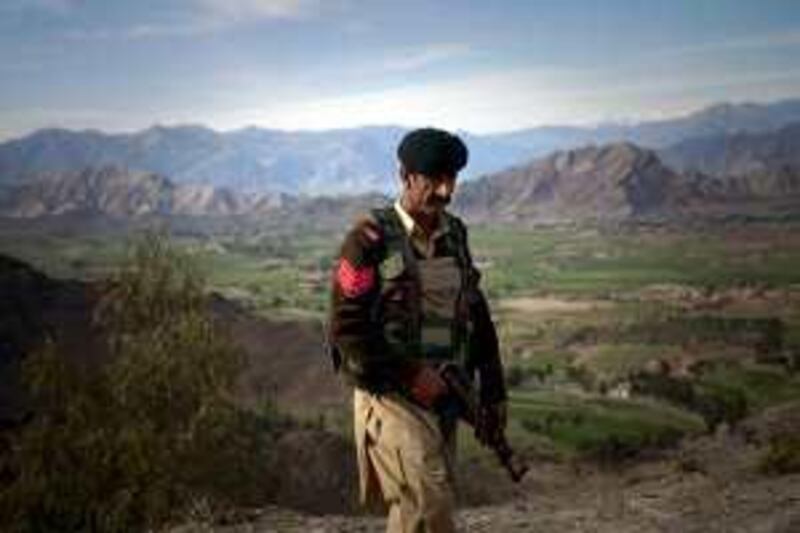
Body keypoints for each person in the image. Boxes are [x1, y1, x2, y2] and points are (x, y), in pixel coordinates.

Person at [327, 128, 507, 533]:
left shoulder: (455, 235)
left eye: (452, 179)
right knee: (430, 499)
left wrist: (492, 387)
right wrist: (409, 374)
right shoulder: (368, 240)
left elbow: (474, 311)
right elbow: (346, 329)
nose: (445, 190)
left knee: (418, 510)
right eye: (434, 179)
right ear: (405, 176)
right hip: (389, 391)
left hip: (444, 391)